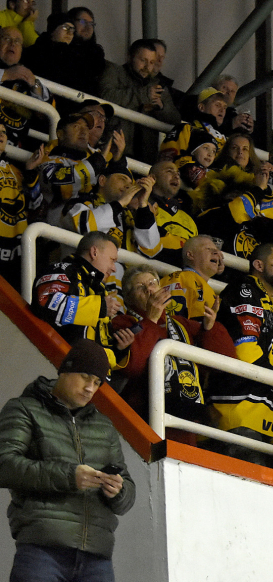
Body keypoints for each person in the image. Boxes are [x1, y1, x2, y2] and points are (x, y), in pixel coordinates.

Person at [0, 340, 135, 582]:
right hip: (42, 551)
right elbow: (5, 465)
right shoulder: (24, 409)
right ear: (65, 370)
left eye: (97, 383)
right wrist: (69, 476)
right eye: (85, 377)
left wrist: (118, 491)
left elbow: (127, 494)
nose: (90, 388)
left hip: (98, 557)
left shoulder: (104, 426)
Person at [111, 264, 235, 422]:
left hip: (189, 413)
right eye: (140, 287)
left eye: (152, 283)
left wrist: (209, 328)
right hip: (144, 416)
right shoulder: (122, 322)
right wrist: (151, 320)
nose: (149, 290)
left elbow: (227, 359)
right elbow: (134, 367)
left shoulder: (181, 323)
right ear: (129, 299)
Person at [208, 242, 273, 463]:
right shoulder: (245, 290)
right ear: (258, 265)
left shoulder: (265, 300)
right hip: (239, 408)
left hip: (261, 411)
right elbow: (245, 348)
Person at [31, 231, 127, 367]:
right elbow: (47, 303)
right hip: (59, 366)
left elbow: (97, 344)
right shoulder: (63, 270)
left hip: (91, 373)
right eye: (112, 260)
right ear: (94, 252)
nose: (114, 268)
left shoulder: (100, 290)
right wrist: (100, 307)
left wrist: (119, 349)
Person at [99, 38, 180, 161]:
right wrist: (144, 95)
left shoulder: (157, 85)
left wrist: (161, 107)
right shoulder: (114, 71)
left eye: (151, 62)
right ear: (129, 57)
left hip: (146, 157)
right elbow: (106, 96)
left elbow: (175, 119)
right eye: (143, 60)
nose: (147, 67)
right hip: (113, 149)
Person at [62, 160, 162, 260]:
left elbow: (151, 248)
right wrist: (121, 203)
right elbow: (83, 225)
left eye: (131, 184)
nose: (128, 186)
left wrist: (143, 205)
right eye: (122, 179)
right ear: (102, 180)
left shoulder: (129, 215)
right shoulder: (81, 200)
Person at [0, 124, 43, 290]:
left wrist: (30, 171)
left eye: (4, 132)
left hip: (14, 254)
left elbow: (35, 205)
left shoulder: (17, 171)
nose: (1, 135)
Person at [159, 235, 222, 323]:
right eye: (209, 249)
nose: (216, 253)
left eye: (216, 250)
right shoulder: (179, 278)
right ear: (190, 255)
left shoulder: (210, 291)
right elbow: (172, 323)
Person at [148, 160, 198, 266]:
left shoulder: (188, 219)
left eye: (178, 174)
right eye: (169, 171)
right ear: (153, 178)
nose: (176, 176)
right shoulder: (141, 206)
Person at [65, 7, 104, 95]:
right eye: (83, 22)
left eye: (91, 24)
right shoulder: (59, 50)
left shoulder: (96, 55)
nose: (88, 27)